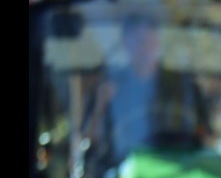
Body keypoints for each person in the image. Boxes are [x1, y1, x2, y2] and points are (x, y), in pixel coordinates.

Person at [83, 13, 209, 159]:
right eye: (139, 41)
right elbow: (91, 141)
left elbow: (207, 137)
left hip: (184, 170)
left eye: (150, 40)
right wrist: (100, 106)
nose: (146, 48)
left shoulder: (185, 86)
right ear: (126, 43)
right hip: (125, 173)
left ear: (158, 42)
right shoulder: (109, 87)